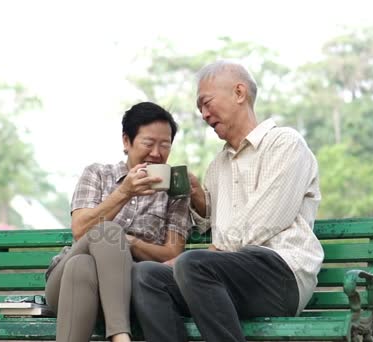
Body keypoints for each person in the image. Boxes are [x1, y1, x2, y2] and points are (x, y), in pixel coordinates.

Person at [132, 61, 324, 342]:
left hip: (281, 275)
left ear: (239, 93)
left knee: (193, 264)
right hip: (219, 278)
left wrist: (208, 252)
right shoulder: (218, 165)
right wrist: (196, 194)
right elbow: (209, 220)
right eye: (200, 110)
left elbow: (266, 219)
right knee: (146, 276)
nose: (204, 114)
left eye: (206, 103)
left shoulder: (285, 144)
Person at [44, 102, 191, 342]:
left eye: (164, 145)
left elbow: (172, 252)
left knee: (82, 266)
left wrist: (129, 242)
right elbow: (81, 230)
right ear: (126, 141)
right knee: (107, 232)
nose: (156, 153)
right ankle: (120, 335)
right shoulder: (97, 174)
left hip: (130, 289)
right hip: (61, 288)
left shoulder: (175, 189)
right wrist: (124, 192)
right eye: (148, 143)